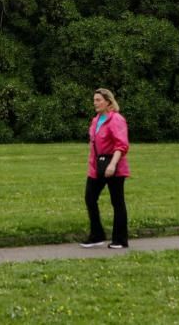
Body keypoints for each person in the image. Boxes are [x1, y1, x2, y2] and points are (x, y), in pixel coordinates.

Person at [80, 88, 130, 250]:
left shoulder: (116, 119)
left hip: (113, 166)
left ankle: (120, 240)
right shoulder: (96, 120)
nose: (95, 103)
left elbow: (121, 144)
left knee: (117, 201)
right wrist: (92, 166)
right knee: (89, 197)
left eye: (98, 100)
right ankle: (97, 235)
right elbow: (93, 145)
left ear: (108, 101)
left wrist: (113, 165)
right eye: (94, 100)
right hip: (98, 166)